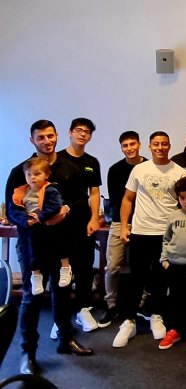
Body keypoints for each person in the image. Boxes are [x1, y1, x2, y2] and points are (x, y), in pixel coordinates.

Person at [5, 119, 93, 375]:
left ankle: (65, 339)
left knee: (62, 291)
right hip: (32, 244)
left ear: (57, 136)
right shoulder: (19, 171)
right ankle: (27, 353)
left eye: (50, 136)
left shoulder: (71, 169)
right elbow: (12, 209)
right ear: (32, 140)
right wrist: (33, 221)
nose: (46, 141)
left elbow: (81, 202)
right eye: (40, 137)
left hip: (62, 242)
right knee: (32, 298)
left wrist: (65, 211)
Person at [112, 131, 186, 348]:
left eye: (164, 144)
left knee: (160, 279)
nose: (160, 147)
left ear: (170, 146)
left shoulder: (179, 172)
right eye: (156, 144)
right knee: (136, 277)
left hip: (166, 234)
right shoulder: (139, 169)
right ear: (150, 146)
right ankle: (129, 320)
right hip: (141, 231)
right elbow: (127, 199)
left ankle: (156, 315)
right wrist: (125, 226)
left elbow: (184, 203)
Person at [57, 117, 102, 332]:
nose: (82, 134)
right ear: (69, 132)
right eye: (78, 130)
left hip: (84, 220)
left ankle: (83, 310)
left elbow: (94, 193)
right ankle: (60, 317)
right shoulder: (57, 159)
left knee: (84, 267)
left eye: (87, 132)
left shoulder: (92, 162)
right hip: (60, 220)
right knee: (62, 269)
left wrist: (94, 218)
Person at [99, 131, 147, 328]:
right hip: (120, 221)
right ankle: (111, 304)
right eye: (125, 145)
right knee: (112, 264)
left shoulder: (148, 166)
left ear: (139, 144)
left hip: (144, 222)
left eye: (132, 144)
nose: (129, 148)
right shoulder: (115, 169)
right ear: (121, 148)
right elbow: (118, 199)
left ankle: (142, 304)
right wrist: (125, 224)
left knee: (143, 266)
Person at [8, 158, 72, 296]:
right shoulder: (21, 191)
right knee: (32, 251)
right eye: (29, 174)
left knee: (60, 241)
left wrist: (41, 216)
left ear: (46, 175)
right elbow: (13, 210)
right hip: (32, 227)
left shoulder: (50, 189)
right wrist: (25, 221)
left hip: (49, 224)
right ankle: (35, 275)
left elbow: (55, 206)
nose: (32, 178)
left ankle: (65, 267)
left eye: (37, 174)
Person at [158, 176, 186, 351]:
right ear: (178, 197)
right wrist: (164, 260)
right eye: (182, 197)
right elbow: (166, 239)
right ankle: (175, 329)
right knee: (175, 298)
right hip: (173, 264)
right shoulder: (173, 216)